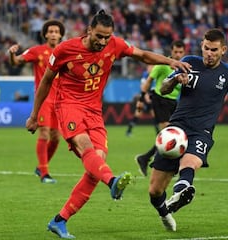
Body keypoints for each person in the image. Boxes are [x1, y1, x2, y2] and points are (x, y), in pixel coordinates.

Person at [25, 10, 190, 239]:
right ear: (89, 30)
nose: (103, 41)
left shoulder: (115, 45)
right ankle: (112, 181)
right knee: (86, 148)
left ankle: (59, 220)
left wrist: (170, 61)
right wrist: (34, 115)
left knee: (96, 167)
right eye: (99, 36)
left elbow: (142, 55)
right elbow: (45, 82)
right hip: (68, 106)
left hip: (94, 110)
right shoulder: (66, 49)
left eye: (107, 37)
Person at [148, 28, 228, 232]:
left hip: (202, 131)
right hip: (176, 128)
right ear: (202, 46)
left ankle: (181, 190)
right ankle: (165, 211)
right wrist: (174, 80)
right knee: (154, 190)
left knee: (190, 162)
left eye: (214, 50)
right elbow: (162, 88)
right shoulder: (189, 62)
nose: (209, 53)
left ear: (223, 50)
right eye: (206, 48)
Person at [8, 19, 65, 183]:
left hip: (59, 101)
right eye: (51, 31)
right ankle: (44, 173)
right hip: (44, 100)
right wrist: (12, 54)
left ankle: (40, 168)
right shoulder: (38, 51)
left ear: (61, 35)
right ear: (45, 34)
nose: (53, 34)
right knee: (44, 132)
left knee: (56, 137)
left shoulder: (66, 52)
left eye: (56, 31)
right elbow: (16, 61)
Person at [135, 40, 186, 176]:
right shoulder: (163, 66)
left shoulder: (185, 68)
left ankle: (144, 158)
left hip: (173, 103)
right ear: (171, 51)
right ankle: (164, 166)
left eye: (180, 52)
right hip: (159, 100)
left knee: (171, 135)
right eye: (175, 51)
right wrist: (141, 99)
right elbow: (148, 81)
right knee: (168, 135)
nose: (178, 54)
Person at [125, 64, 158, 137]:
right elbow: (143, 86)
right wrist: (146, 97)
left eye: (153, 67)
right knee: (138, 114)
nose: (151, 68)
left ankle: (158, 133)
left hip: (150, 97)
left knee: (154, 115)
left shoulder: (155, 74)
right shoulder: (145, 74)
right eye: (150, 67)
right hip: (144, 98)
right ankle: (129, 131)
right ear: (147, 67)